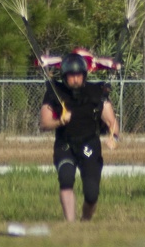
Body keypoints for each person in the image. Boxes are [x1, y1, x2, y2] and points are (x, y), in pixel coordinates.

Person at [39, 51, 119, 222]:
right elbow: (44, 124)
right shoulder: (55, 92)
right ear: (64, 76)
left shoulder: (96, 93)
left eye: (78, 75)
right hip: (65, 145)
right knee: (66, 179)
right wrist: (60, 121)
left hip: (90, 145)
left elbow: (112, 122)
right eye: (71, 76)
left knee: (91, 194)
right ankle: (71, 224)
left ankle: (85, 222)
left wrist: (114, 137)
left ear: (84, 75)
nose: (75, 79)